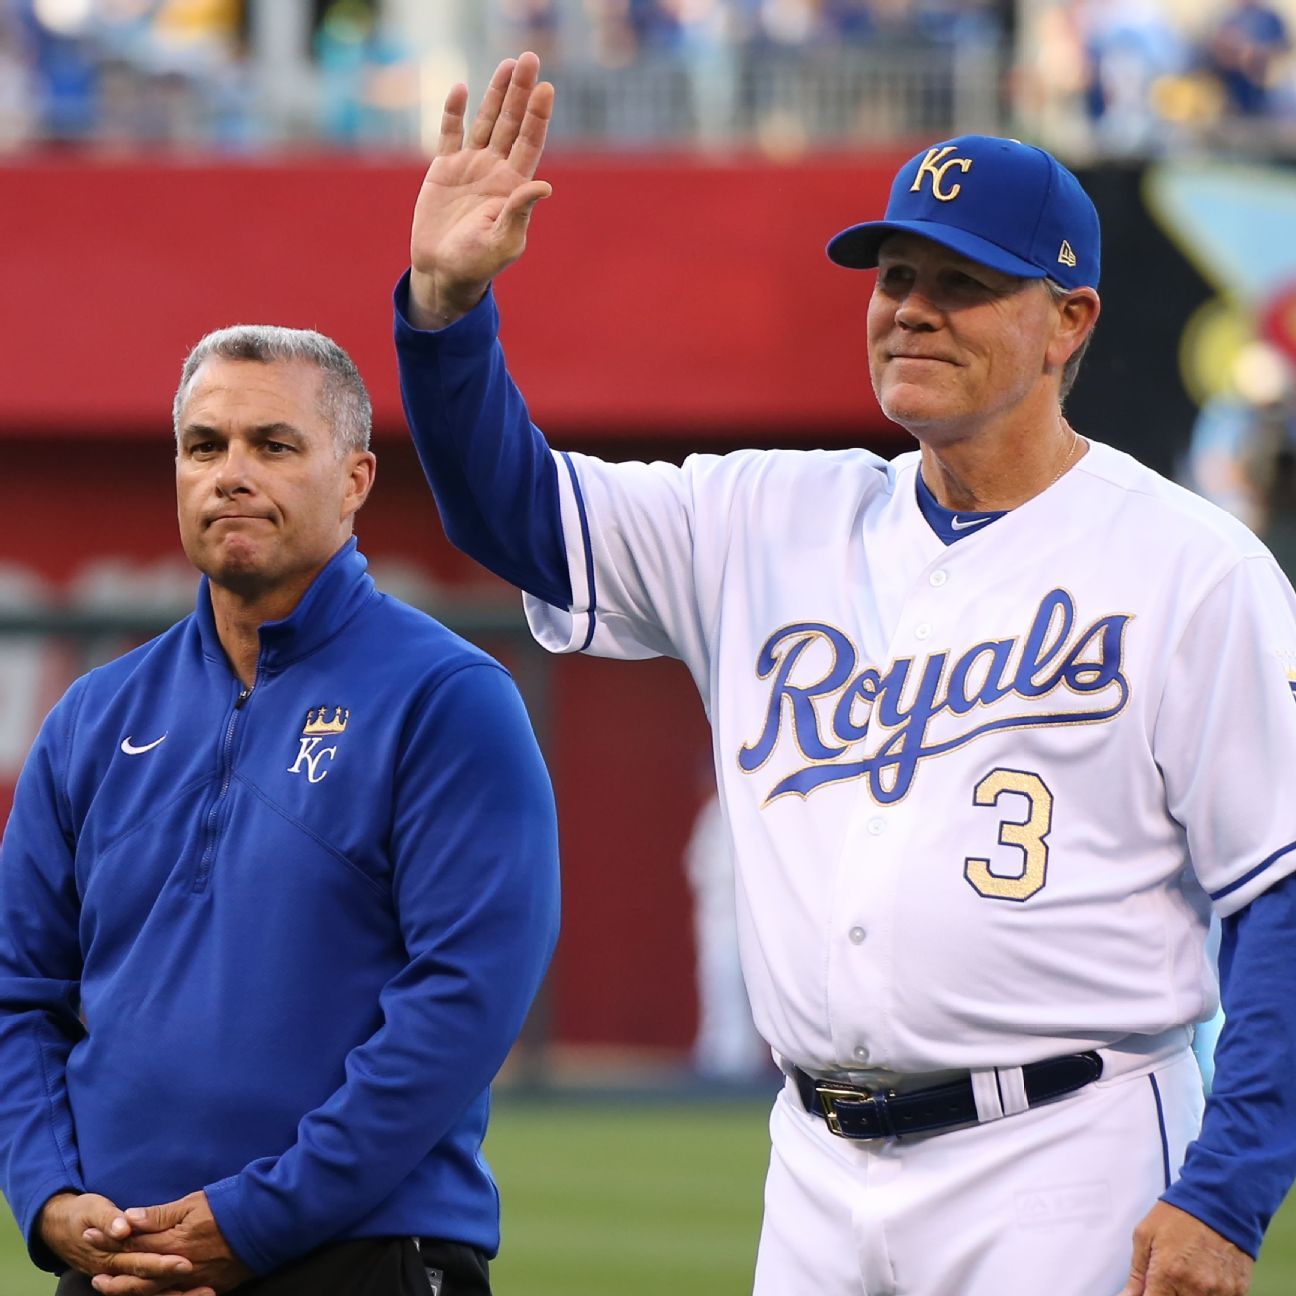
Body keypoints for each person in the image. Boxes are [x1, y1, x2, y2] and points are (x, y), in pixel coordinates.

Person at [392, 53, 1296, 1296]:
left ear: (1069, 322)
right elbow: (517, 515)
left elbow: (1281, 902)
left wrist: (1230, 1191)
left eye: (963, 283)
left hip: (1069, 1154)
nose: (911, 308)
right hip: (817, 1166)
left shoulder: (1194, 568)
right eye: (895, 275)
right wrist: (445, 317)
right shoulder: (769, 514)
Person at [0, 324, 561, 1296]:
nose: (230, 473)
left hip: (359, 1258)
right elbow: (17, 989)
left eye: (274, 444)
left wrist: (259, 1216)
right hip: (119, 1264)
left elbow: (462, 1001)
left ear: (353, 479)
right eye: (204, 446)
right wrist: (48, 1196)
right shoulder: (94, 715)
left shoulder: (448, 695)